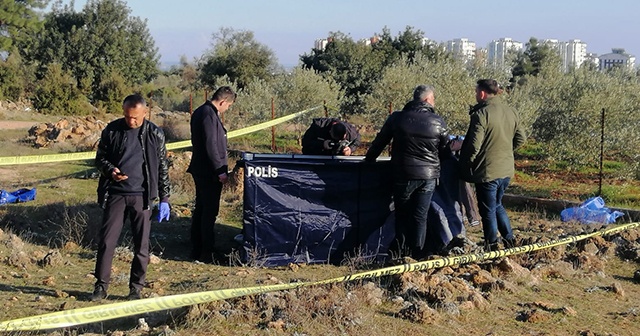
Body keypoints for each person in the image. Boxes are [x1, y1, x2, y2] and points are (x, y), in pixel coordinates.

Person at [91, 94, 171, 301]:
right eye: (127, 116)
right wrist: (111, 171)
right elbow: (100, 159)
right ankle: (100, 287)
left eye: (135, 117)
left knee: (141, 246)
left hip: (142, 197)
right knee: (107, 242)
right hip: (116, 194)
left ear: (145, 113)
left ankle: (136, 288)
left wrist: (164, 198)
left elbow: (163, 167)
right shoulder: (112, 130)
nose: (131, 121)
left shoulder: (155, 133)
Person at [365, 85, 450, 259]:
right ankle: (417, 254)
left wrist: (369, 160)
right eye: (433, 99)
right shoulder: (438, 121)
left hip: (403, 174)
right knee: (420, 216)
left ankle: (400, 253)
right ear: (427, 100)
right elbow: (445, 151)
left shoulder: (397, 118)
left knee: (402, 214)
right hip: (428, 176)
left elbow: (379, 142)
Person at [458, 79, 527, 252]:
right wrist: (504, 151)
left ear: (482, 93)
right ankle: (509, 239)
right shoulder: (511, 111)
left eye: (476, 92)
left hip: (487, 171)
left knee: (487, 209)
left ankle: (491, 245)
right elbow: (521, 139)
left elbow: (474, 145)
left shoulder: (481, 114)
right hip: (506, 170)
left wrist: (466, 164)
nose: (475, 95)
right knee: (497, 204)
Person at [187, 86, 237, 263]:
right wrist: (219, 170)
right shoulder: (208, 114)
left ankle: (198, 247)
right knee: (208, 211)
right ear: (223, 101)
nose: (227, 109)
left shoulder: (203, 111)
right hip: (208, 172)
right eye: (228, 106)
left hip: (203, 169)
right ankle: (205, 251)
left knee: (201, 209)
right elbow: (211, 144)